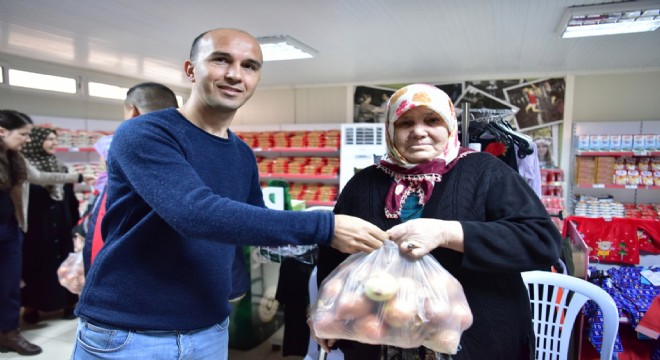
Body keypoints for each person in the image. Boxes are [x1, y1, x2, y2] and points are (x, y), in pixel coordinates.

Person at [71, 28, 386, 360]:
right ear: (191, 70)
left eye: (249, 66)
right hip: (130, 332)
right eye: (221, 60)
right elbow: (194, 213)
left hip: (209, 327)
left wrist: (351, 272)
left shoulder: (241, 153)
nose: (235, 74)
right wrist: (326, 226)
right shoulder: (145, 133)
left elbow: (256, 228)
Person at [312, 84, 561, 360]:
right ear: (391, 130)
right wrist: (324, 310)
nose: (418, 131)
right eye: (405, 122)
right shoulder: (363, 184)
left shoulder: (486, 172)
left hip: (478, 341)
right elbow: (333, 255)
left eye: (432, 120)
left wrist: (448, 233)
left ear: (450, 125)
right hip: (375, 339)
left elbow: (542, 241)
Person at [0, 110, 92, 356]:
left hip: (9, 227)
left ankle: (9, 334)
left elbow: (39, 177)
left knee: (10, 283)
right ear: (2, 132)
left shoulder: (15, 158)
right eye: (23, 134)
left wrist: (77, 176)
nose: (27, 140)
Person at [80, 82, 179, 274]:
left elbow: (105, 194)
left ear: (132, 111)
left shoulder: (117, 143)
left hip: (121, 250)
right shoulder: (187, 144)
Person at [20, 126, 82, 324]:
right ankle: (32, 306)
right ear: (36, 141)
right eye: (49, 139)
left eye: (56, 140)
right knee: (35, 264)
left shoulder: (61, 167)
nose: (54, 143)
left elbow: (70, 200)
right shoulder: (25, 169)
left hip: (61, 225)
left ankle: (68, 304)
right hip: (37, 226)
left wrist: (74, 225)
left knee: (62, 263)